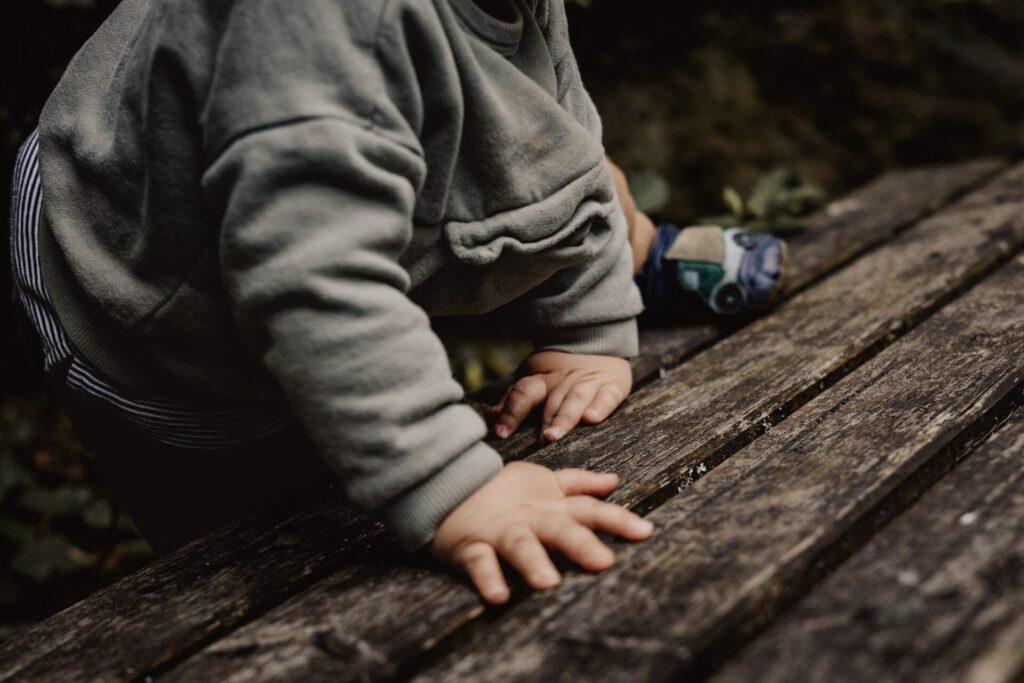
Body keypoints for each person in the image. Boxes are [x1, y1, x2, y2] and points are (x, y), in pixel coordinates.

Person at [9, 0, 784, 605]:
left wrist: (585, 320)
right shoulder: (312, 23)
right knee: (259, 543)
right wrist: (457, 488)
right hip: (140, 293)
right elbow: (314, 278)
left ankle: (639, 249)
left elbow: (553, 119)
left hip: (305, 197)